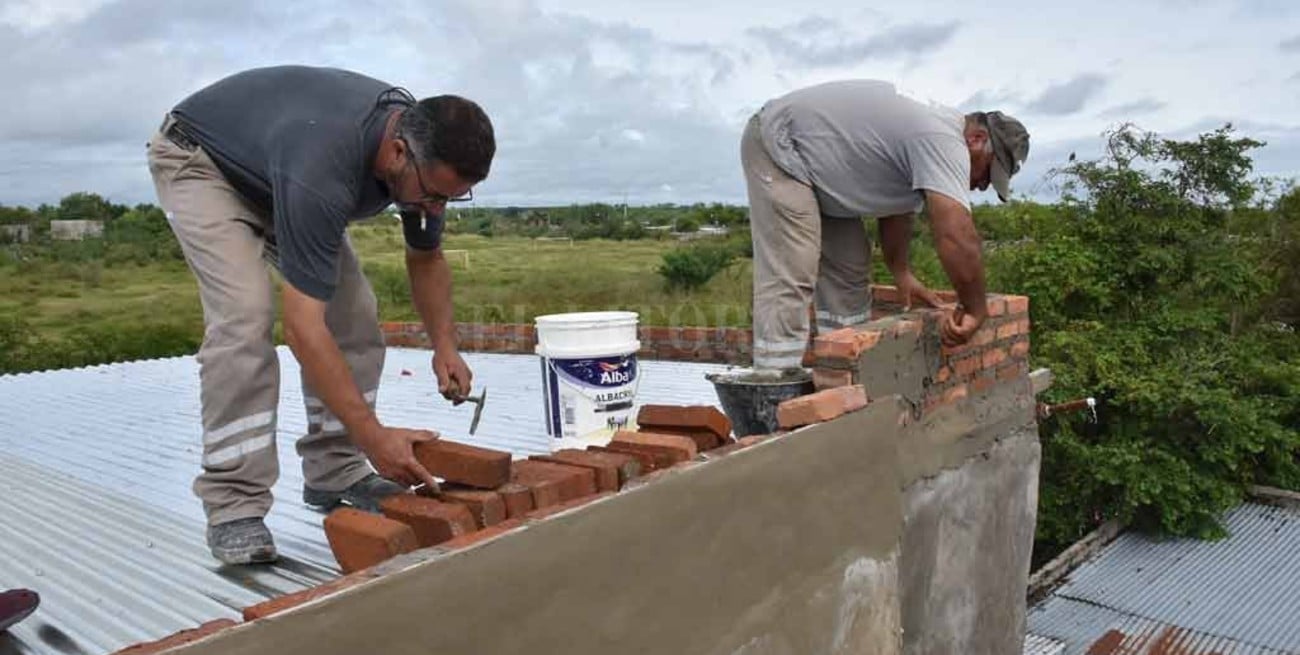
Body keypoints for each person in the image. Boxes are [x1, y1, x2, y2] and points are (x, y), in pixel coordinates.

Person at [147, 66, 496, 564]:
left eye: (450, 198)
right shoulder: (324, 165)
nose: (436, 208)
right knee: (245, 318)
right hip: (205, 164)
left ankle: (336, 471)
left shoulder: (421, 158)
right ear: (399, 152)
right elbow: (303, 329)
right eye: (434, 194)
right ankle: (234, 506)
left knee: (354, 314)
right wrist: (376, 438)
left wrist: (445, 346)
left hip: (279, 170)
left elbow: (426, 258)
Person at [741, 80, 1030, 371]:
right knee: (793, 270)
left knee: (850, 268)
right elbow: (958, 236)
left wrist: (901, 272)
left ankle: (841, 372)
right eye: (988, 172)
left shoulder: (931, 145)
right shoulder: (943, 140)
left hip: (822, 173)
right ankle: (771, 385)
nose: (982, 185)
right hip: (781, 145)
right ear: (977, 139)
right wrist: (976, 309)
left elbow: (897, 208)